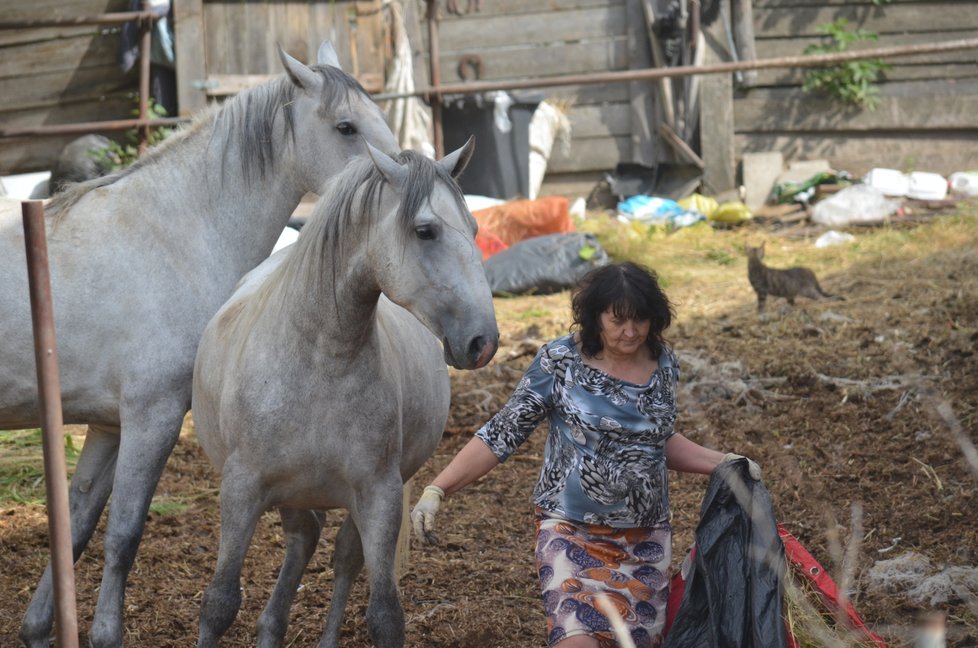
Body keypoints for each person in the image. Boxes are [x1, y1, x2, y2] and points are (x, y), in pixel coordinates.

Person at [410, 261, 761, 648]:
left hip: (643, 543)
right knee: (576, 640)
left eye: (640, 321)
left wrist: (723, 462)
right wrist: (438, 489)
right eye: (618, 321)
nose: (631, 332)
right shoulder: (560, 362)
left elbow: (656, 442)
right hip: (570, 531)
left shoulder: (663, 364)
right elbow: (503, 432)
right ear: (595, 318)